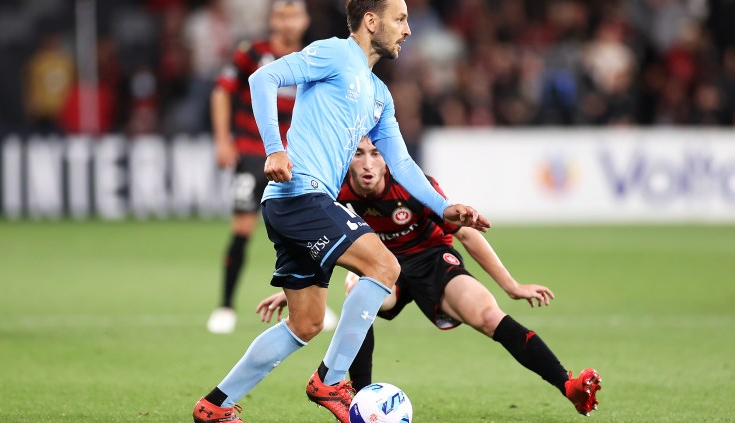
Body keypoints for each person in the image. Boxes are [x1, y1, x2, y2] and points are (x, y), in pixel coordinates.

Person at [192, 1, 491, 422]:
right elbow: (263, 77)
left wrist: (445, 207)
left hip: (300, 204)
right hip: (300, 195)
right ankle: (330, 381)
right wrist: (274, 149)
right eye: (399, 19)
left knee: (306, 324)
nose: (407, 30)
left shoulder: (379, 94)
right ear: (371, 21)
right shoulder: (334, 52)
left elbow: (401, 163)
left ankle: (214, 406)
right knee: (385, 267)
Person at [256, 137, 603, 417]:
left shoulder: (411, 185)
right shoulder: (333, 190)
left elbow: (466, 234)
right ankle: (360, 401)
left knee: (487, 315)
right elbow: (320, 244)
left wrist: (511, 286)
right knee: (358, 289)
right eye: (358, 153)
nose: (367, 163)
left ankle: (568, 385)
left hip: (431, 259)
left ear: (387, 159)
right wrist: (294, 291)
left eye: (376, 153)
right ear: (347, 157)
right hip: (381, 267)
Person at [205, 0, 338, 334]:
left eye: (294, 15)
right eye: (281, 15)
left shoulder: (313, 56)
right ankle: (225, 306)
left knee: (309, 231)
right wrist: (222, 140)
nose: (287, 22)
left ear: (305, 20)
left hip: (298, 157)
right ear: (272, 20)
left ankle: (316, 302)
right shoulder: (252, 53)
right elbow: (221, 93)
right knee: (242, 228)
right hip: (253, 153)